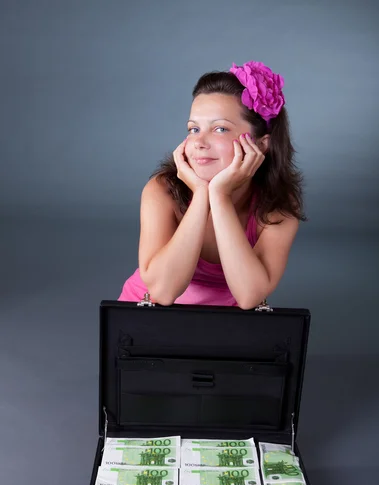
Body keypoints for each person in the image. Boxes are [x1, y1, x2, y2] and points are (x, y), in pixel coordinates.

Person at [118, 61, 307, 309]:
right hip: (148, 322)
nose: (199, 142)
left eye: (219, 128)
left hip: (221, 330)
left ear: (261, 145)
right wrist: (200, 194)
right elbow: (163, 292)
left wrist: (219, 196)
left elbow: (250, 296)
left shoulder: (279, 205)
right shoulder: (160, 190)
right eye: (194, 128)